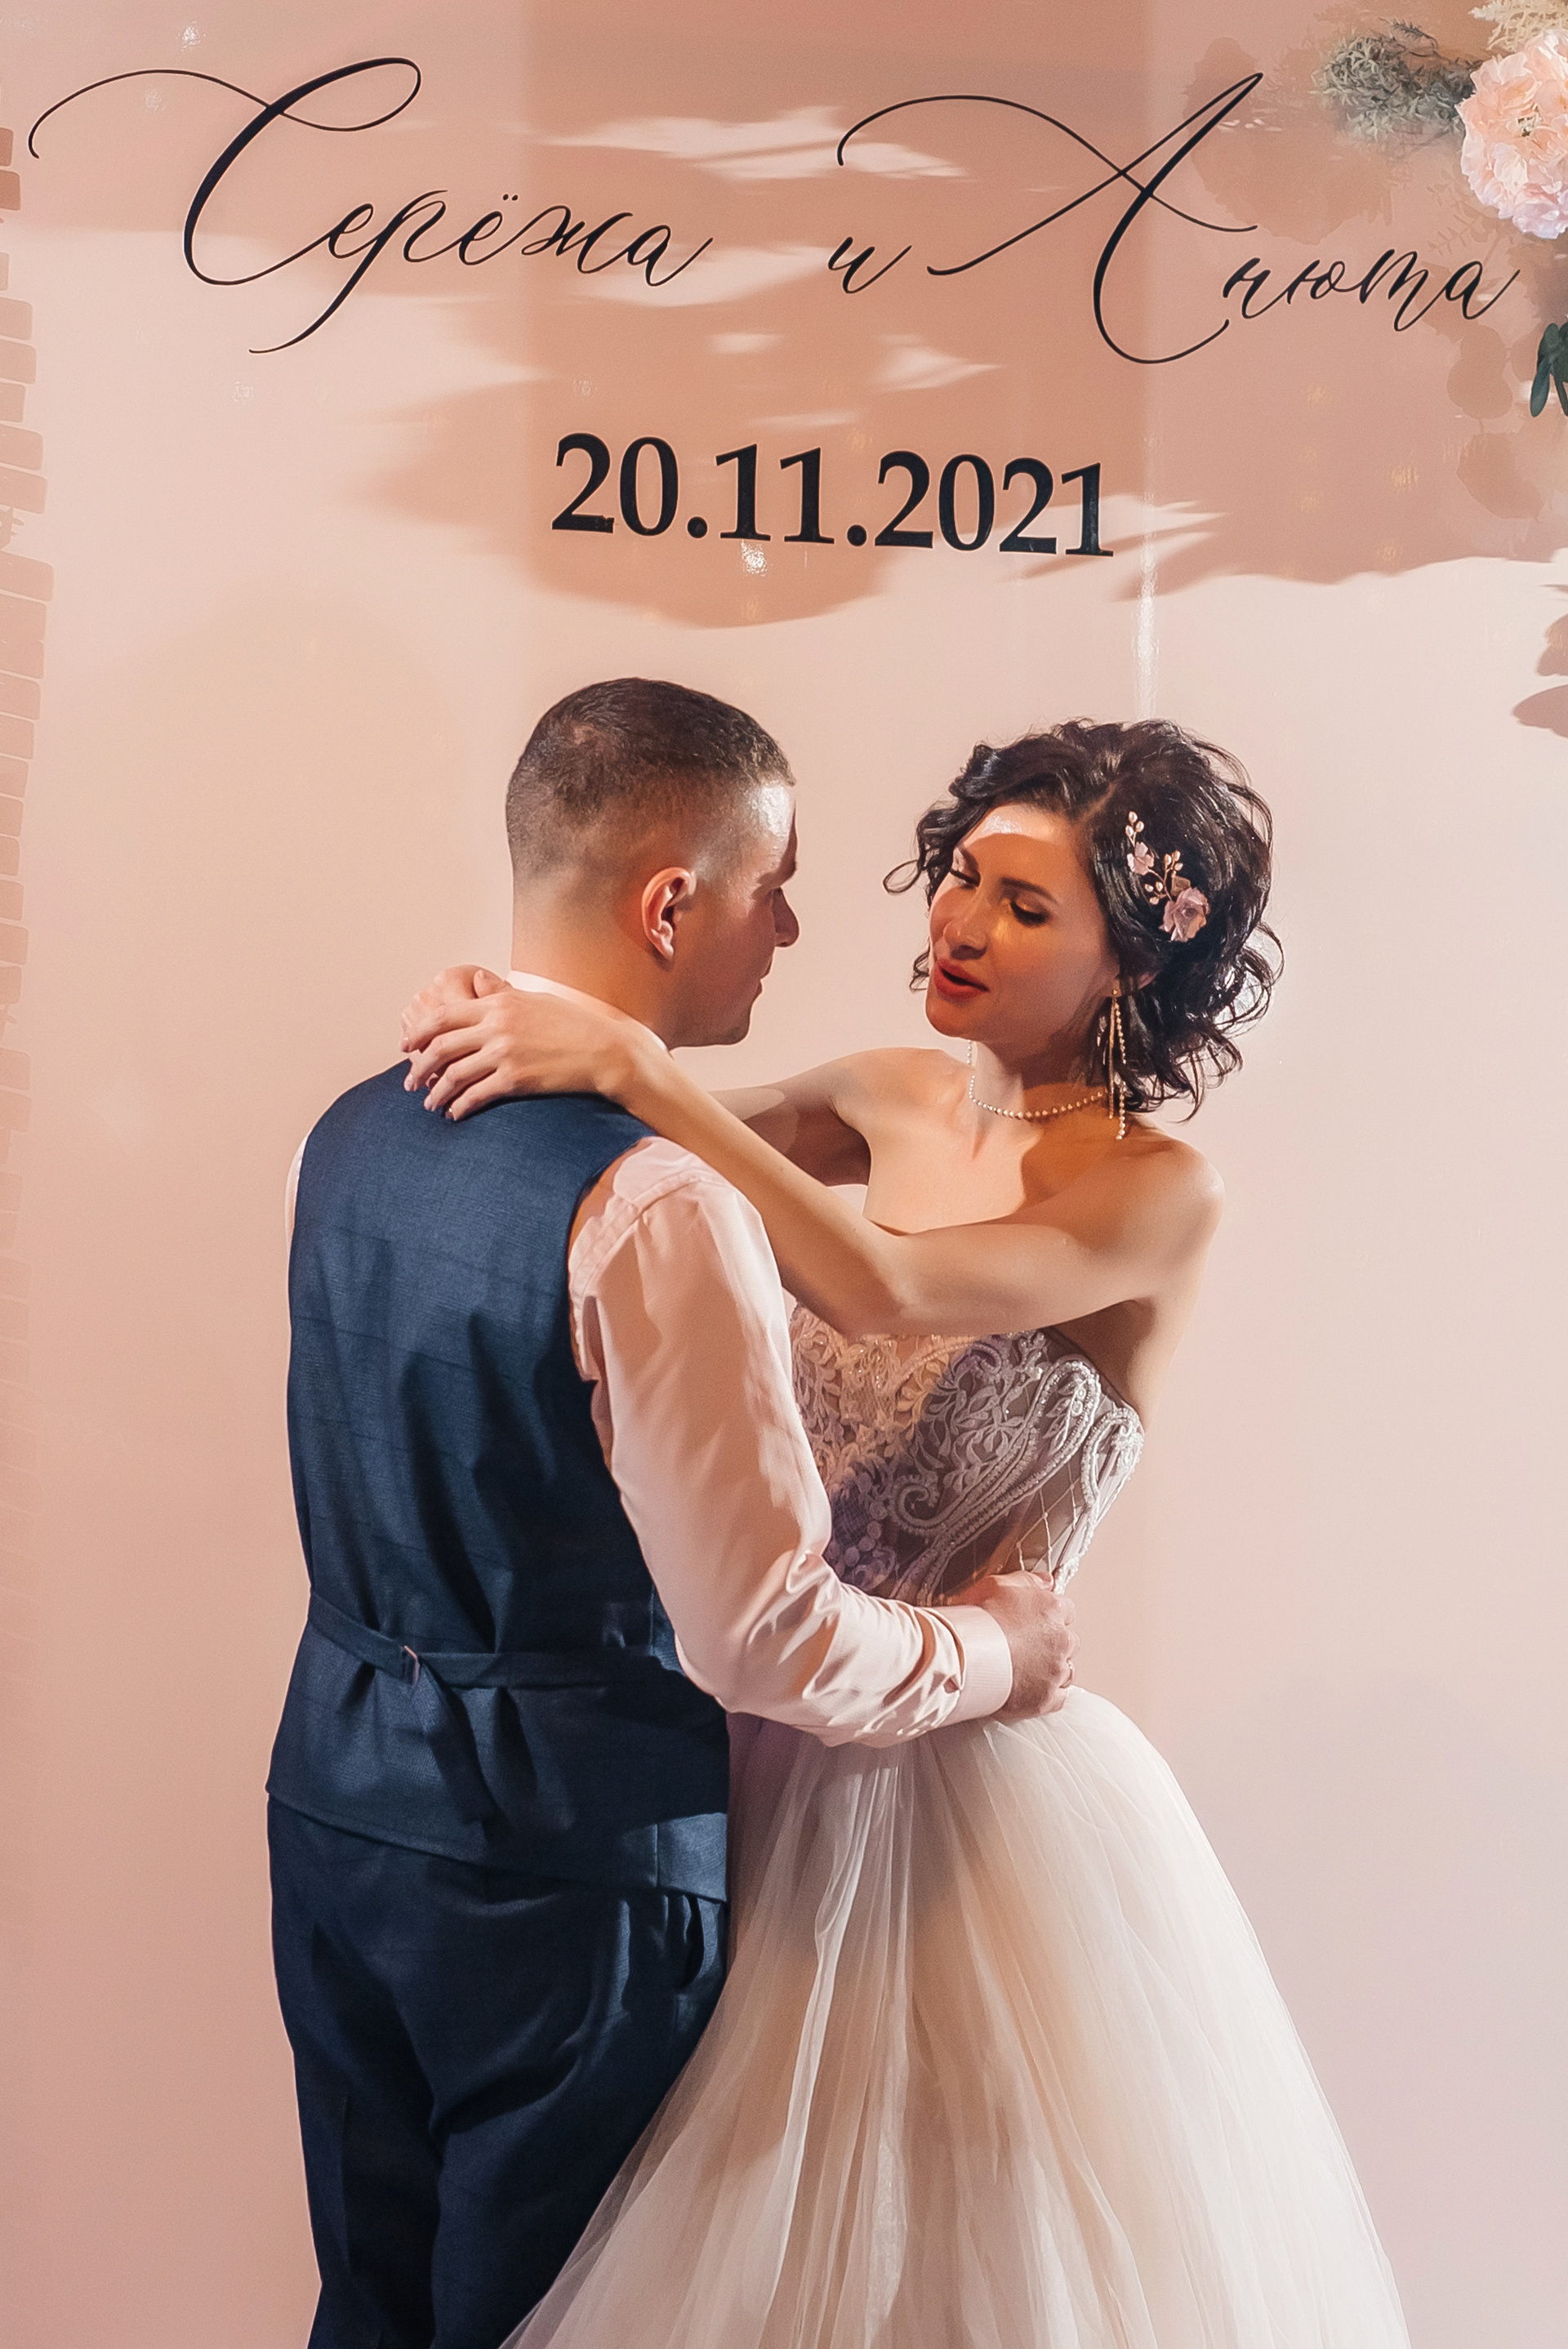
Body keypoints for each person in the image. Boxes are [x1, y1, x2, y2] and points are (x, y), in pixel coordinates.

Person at [402, 715, 1413, 2348]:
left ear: (1129, 961)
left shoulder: (1162, 1193)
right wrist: (521, 1024)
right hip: (743, 1717)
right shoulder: (892, 1089)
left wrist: (636, 1067)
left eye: (1026, 905)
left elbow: (886, 1285)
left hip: (960, 1791)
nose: (961, 922)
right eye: (961, 875)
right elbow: (627, 1150)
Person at [268, 680, 1076, 2349]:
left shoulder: (352, 1127)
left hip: (336, 1808)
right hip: (566, 1871)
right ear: (669, 905)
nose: (790, 929)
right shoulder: (656, 1209)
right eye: (774, 887)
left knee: (372, 2304)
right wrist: (995, 1653)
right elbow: (765, 1639)